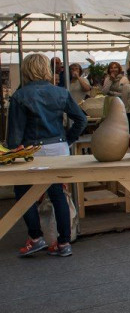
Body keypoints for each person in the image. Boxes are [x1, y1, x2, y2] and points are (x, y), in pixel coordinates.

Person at [6, 53, 87, 257]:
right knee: (58, 194)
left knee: (23, 193)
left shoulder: (20, 95)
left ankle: (35, 237)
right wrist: (67, 140)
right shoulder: (61, 92)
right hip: (59, 147)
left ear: (26, 70)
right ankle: (64, 243)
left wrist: (11, 152)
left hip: (32, 149)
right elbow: (81, 119)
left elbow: (14, 136)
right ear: (46, 69)